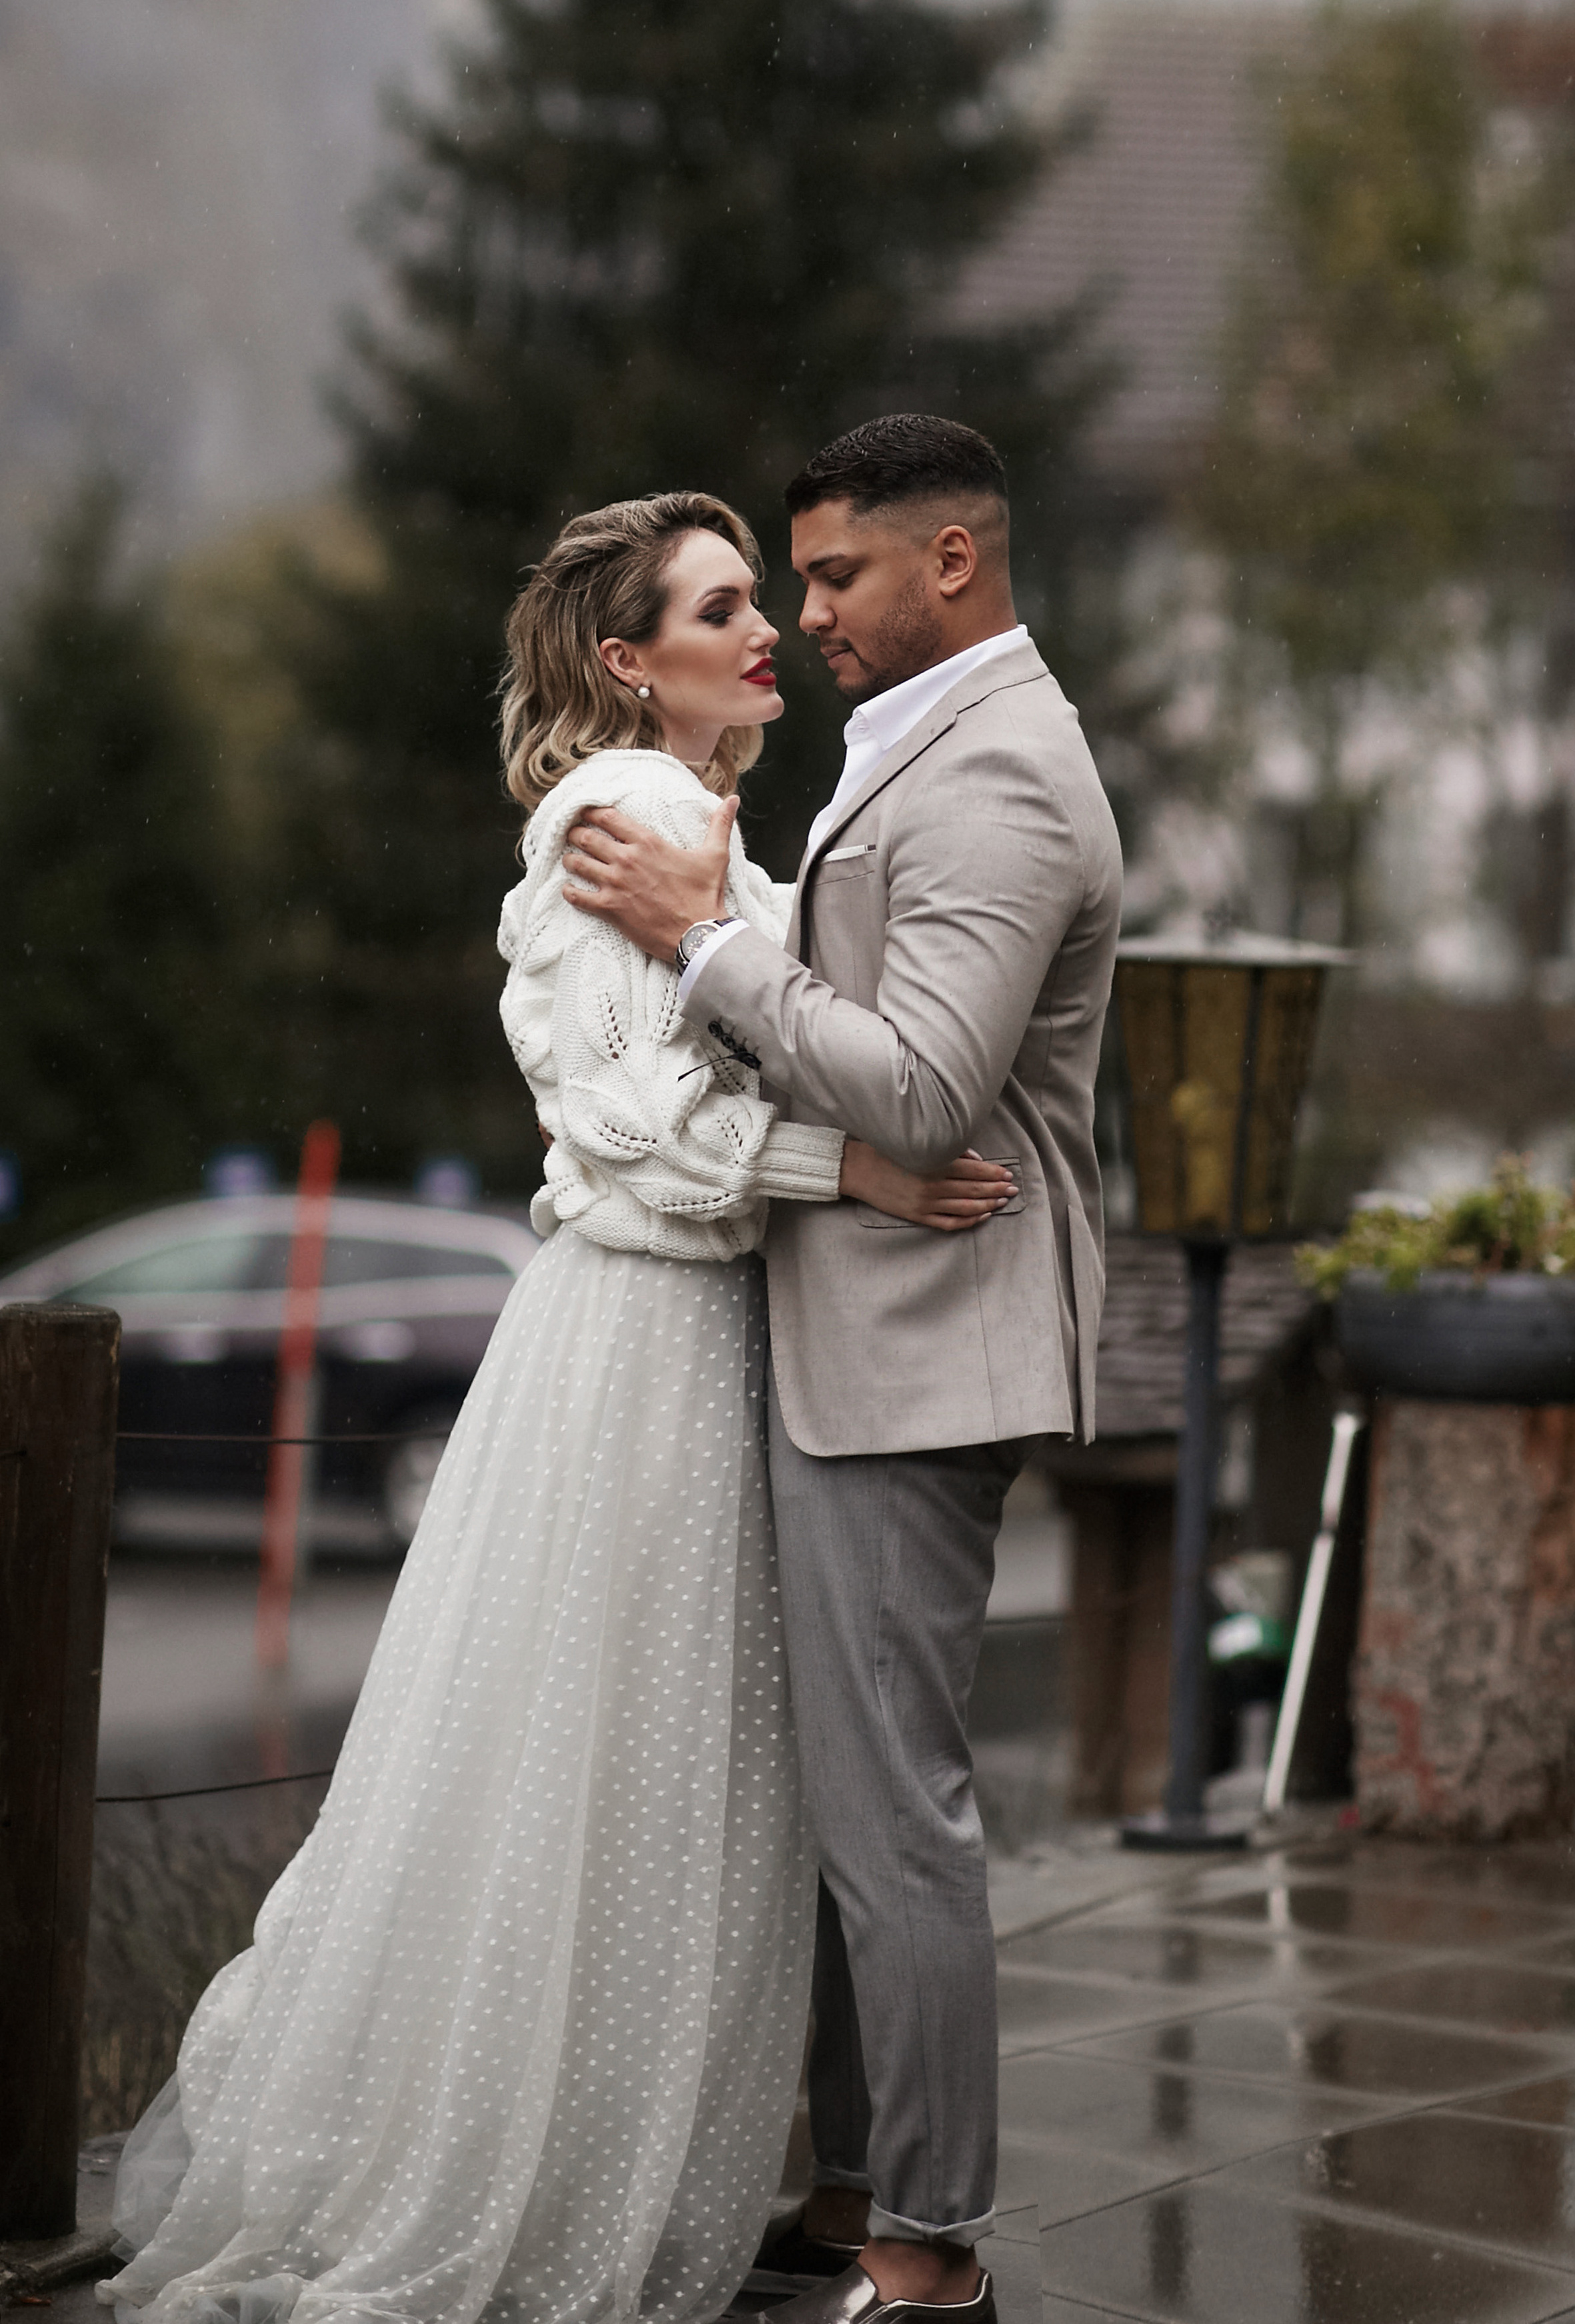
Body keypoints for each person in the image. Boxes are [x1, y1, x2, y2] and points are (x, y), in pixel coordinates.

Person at [96, 490, 1015, 2324]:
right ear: (626, 659)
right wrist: (860, 1174)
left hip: (715, 1348)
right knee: (587, 1767)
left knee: (662, 1780)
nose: (767, 630)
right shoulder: (623, 815)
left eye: (768, 598)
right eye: (722, 603)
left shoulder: (722, 835)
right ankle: (480, 2169)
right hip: (639, 1350)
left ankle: (632, 2153)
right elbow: (618, 1127)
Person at [559, 415, 1124, 2324]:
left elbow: (919, 1088)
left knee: (896, 1818)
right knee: (841, 1807)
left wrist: (709, 940)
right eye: (790, 583)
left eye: (836, 578)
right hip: (859, 1334)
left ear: (951, 562)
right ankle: (859, 2179)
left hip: (925, 1344)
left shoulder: (1010, 780)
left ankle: (930, 2248)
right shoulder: (926, 746)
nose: (808, 617)